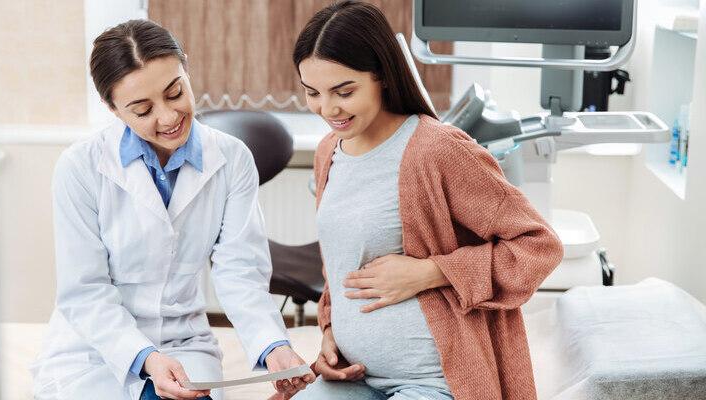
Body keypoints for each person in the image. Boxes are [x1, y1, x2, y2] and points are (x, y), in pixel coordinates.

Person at [290, 2, 564, 399]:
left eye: (344, 91)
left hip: (435, 380)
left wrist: (431, 272)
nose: (327, 109)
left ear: (381, 76)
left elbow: (539, 247)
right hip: (357, 377)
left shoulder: (437, 149)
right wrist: (330, 332)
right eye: (312, 93)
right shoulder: (329, 151)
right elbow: (340, 262)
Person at [31, 19, 314, 400]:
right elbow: (85, 291)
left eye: (175, 92)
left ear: (186, 69)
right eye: (142, 109)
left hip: (183, 340)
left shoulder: (231, 159)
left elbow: (240, 271)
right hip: (94, 349)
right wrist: (145, 357)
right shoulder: (80, 167)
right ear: (112, 108)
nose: (167, 118)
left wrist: (272, 346)